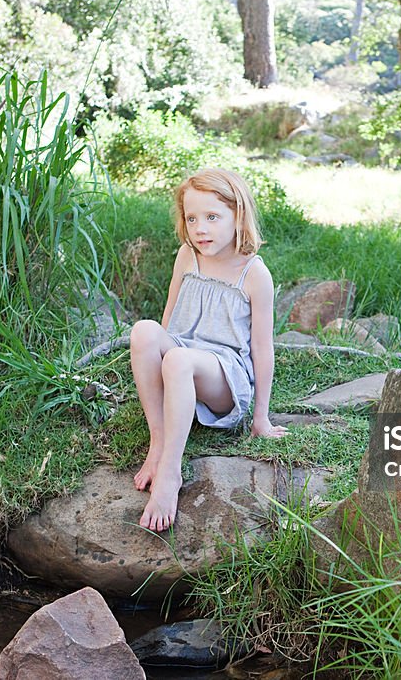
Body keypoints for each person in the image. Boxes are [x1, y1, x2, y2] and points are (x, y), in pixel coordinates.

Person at [129, 168, 288, 532]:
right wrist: (160, 364)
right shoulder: (187, 255)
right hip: (183, 355)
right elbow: (169, 320)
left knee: (180, 359)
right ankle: (158, 440)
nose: (201, 228)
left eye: (213, 217)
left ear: (238, 216)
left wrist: (260, 418)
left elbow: (262, 351)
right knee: (144, 331)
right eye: (192, 218)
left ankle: (170, 472)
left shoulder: (254, 274)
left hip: (224, 376)